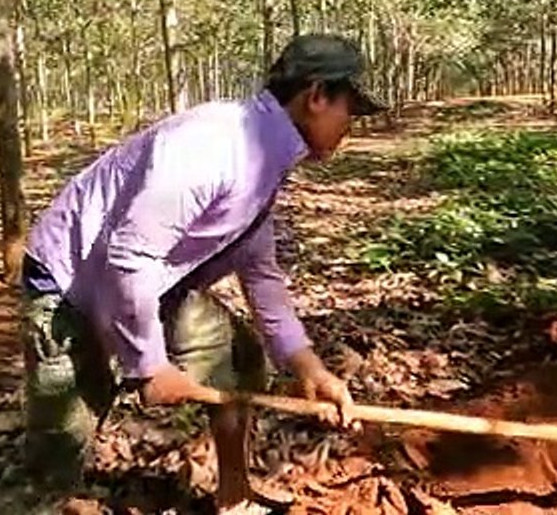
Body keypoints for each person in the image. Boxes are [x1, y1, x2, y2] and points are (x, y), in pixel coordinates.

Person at [20, 34, 387, 514]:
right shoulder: (214, 146)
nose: (350, 127)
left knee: (237, 355)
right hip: (74, 285)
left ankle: (233, 498)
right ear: (316, 97)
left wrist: (308, 367)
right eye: (350, 111)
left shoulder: (261, 159)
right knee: (58, 453)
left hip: (150, 283)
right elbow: (128, 256)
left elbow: (261, 274)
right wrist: (150, 366)